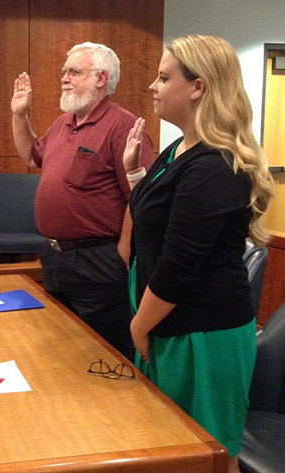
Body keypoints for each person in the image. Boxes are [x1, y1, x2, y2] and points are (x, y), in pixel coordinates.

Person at [123, 35, 274, 473]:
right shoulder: (179, 148)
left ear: (198, 87)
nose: (152, 85)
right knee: (169, 448)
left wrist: (137, 325)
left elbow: (178, 265)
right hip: (167, 323)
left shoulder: (214, 164)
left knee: (206, 456)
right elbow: (156, 220)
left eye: (164, 76)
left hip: (202, 334)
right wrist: (135, 172)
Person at [11, 42, 153, 360]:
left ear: (101, 78)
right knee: (63, 349)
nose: (64, 78)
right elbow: (31, 156)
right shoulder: (65, 123)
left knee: (105, 354)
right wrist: (20, 116)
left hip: (99, 261)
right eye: (65, 71)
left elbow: (140, 197)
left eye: (74, 72)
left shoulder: (123, 127)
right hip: (57, 259)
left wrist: (122, 253)